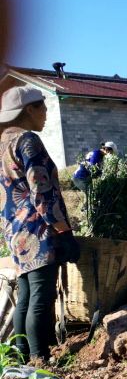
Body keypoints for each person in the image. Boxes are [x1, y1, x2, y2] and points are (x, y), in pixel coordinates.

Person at [0, 86, 79, 363]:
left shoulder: (2, 144)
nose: (46, 114)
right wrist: (63, 231)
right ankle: (39, 359)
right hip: (38, 229)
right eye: (42, 108)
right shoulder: (27, 140)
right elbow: (41, 189)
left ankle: (18, 358)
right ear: (29, 110)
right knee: (41, 297)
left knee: (26, 295)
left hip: (14, 230)